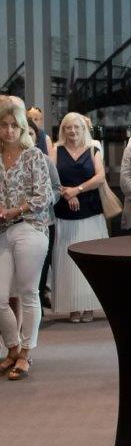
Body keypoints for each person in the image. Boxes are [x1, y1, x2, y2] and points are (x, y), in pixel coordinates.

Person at [0, 101, 51, 379]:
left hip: (30, 226)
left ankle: (25, 353)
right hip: (2, 230)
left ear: (22, 129)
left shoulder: (33, 155)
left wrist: (16, 209)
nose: (9, 130)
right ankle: (12, 348)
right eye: (4, 125)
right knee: (0, 298)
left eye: (14, 126)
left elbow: (45, 196)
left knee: (28, 292)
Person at [50, 112, 108, 323]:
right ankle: (72, 307)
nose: (72, 131)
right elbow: (51, 178)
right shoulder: (56, 150)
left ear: (84, 129)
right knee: (67, 262)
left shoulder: (94, 149)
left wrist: (78, 189)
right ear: (63, 130)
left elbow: (100, 177)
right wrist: (68, 193)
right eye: (68, 127)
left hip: (91, 212)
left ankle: (89, 306)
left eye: (76, 127)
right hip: (64, 214)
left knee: (90, 260)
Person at [26, 117, 60, 309]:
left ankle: (37, 310)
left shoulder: (45, 160)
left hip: (45, 222)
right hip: (15, 223)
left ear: (36, 137)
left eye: (30, 133)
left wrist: (46, 201)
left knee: (41, 268)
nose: (27, 136)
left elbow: (56, 188)